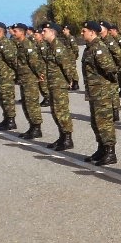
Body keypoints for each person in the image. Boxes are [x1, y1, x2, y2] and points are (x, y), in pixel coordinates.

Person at [81, 21, 120, 166]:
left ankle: (110, 152)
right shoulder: (89, 48)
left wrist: (105, 87)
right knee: (96, 123)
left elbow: (111, 70)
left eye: (84, 30)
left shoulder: (98, 48)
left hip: (102, 93)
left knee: (104, 123)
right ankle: (101, 149)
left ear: (92, 32)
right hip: (94, 92)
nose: (81, 33)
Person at [41, 23, 77, 151]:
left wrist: (70, 80)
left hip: (59, 85)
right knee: (55, 111)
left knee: (62, 112)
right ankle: (62, 136)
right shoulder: (50, 47)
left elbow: (66, 65)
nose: (42, 33)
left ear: (51, 32)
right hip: (52, 84)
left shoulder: (58, 47)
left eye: (44, 31)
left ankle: (68, 138)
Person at [11, 23, 45, 140]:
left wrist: (40, 74)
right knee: (26, 104)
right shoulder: (19, 45)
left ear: (22, 32)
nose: (13, 33)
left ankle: (36, 127)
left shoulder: (27, 45)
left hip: (30, 79)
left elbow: (34, 61)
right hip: (23, 78)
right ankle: (32, 126)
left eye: (15, 31)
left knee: (32, 104)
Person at [0, 22, 19, 130]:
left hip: (5, 76)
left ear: (0, 31)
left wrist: (15, 74)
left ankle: (11, 120)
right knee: (2, 98)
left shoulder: (5, 43)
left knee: (7, 98)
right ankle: (6, 119)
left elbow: (12, 60)